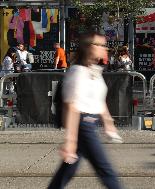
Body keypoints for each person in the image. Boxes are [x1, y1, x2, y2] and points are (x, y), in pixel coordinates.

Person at [48, 32, 123, 189]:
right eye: (101, 45)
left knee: (67, 170)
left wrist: (108, 123)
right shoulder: (78, 72)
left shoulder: (94, 71)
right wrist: (70, 141)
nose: (105, 48)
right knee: (106, 170)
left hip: (89, 122)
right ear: (89, 47)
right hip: (83, 124)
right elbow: (72, 107)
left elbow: (99, 100)